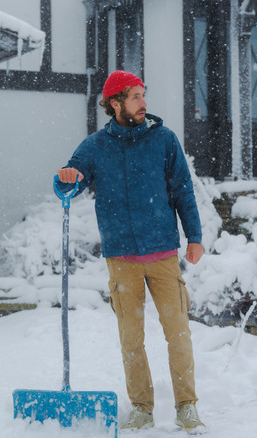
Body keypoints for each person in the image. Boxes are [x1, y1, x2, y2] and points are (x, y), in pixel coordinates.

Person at [55, 70, 206, 434]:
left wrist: (194, 236)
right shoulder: (94, 146)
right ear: (115, 103)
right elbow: (70, 182)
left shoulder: (164, 140)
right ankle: (141, 407)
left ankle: (187, 406)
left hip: (163, 255)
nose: (144, 103)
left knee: (178, 332)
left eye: (143, 94)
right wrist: (66, 179)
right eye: (136, 96)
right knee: (131, 338)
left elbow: (183, 191)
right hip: (121, 258)